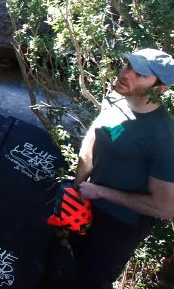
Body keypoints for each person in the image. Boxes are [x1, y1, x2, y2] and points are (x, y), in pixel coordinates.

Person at [70, 48, 174, 288]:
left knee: (90, 281)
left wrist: (99, 192)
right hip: (86, 204)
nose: (126, 74)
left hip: (119, 225)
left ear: (160, 89)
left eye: (140, 74)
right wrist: (75, 187)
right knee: (63, 266)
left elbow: (164, 207)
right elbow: (92, 139)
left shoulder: (163, 138)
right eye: (129, 66)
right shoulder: (116, 99)